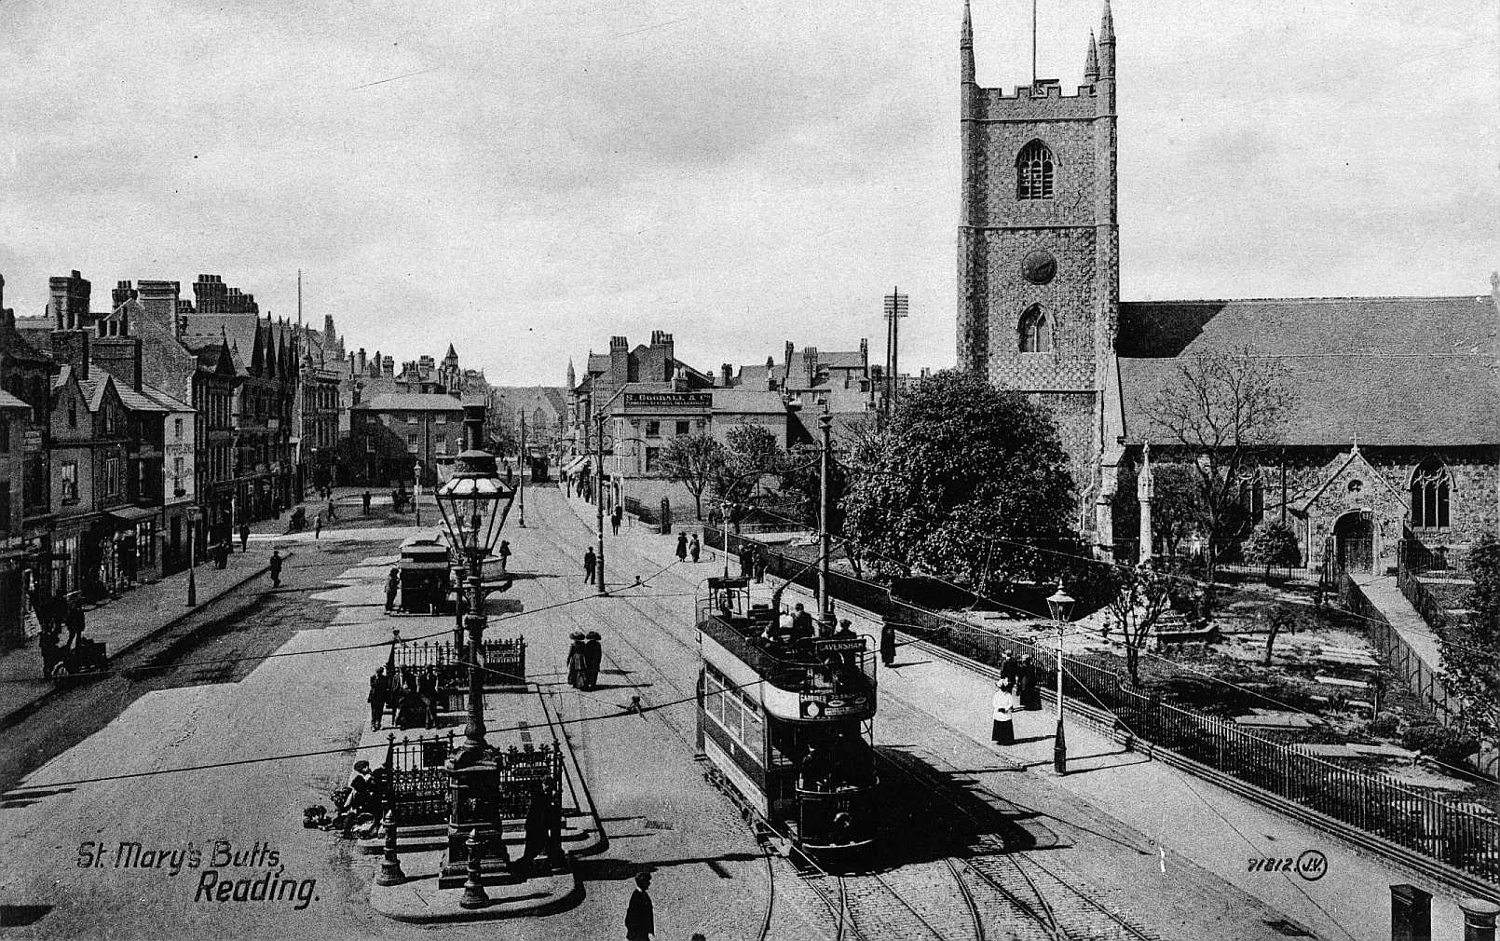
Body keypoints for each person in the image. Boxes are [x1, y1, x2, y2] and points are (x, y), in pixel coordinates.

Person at [625, 870, 655, 941]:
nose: (649, 883)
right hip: (638, 934)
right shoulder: (637, 896)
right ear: (642, 882)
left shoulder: (643, 894)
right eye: (647, 881)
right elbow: (630, 916)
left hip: (642, 932)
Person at [991, 679, 1017, 746]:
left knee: (1006, 726)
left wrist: (1006, 709)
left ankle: (1007, 740)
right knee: (998, 725)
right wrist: (998, 708)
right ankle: (999, 739)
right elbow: (994, 703)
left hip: (1006, 713)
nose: (1002, 689)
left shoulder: (1008, 695)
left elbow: (1010, 703)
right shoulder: (997, 694)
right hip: (999, 713)